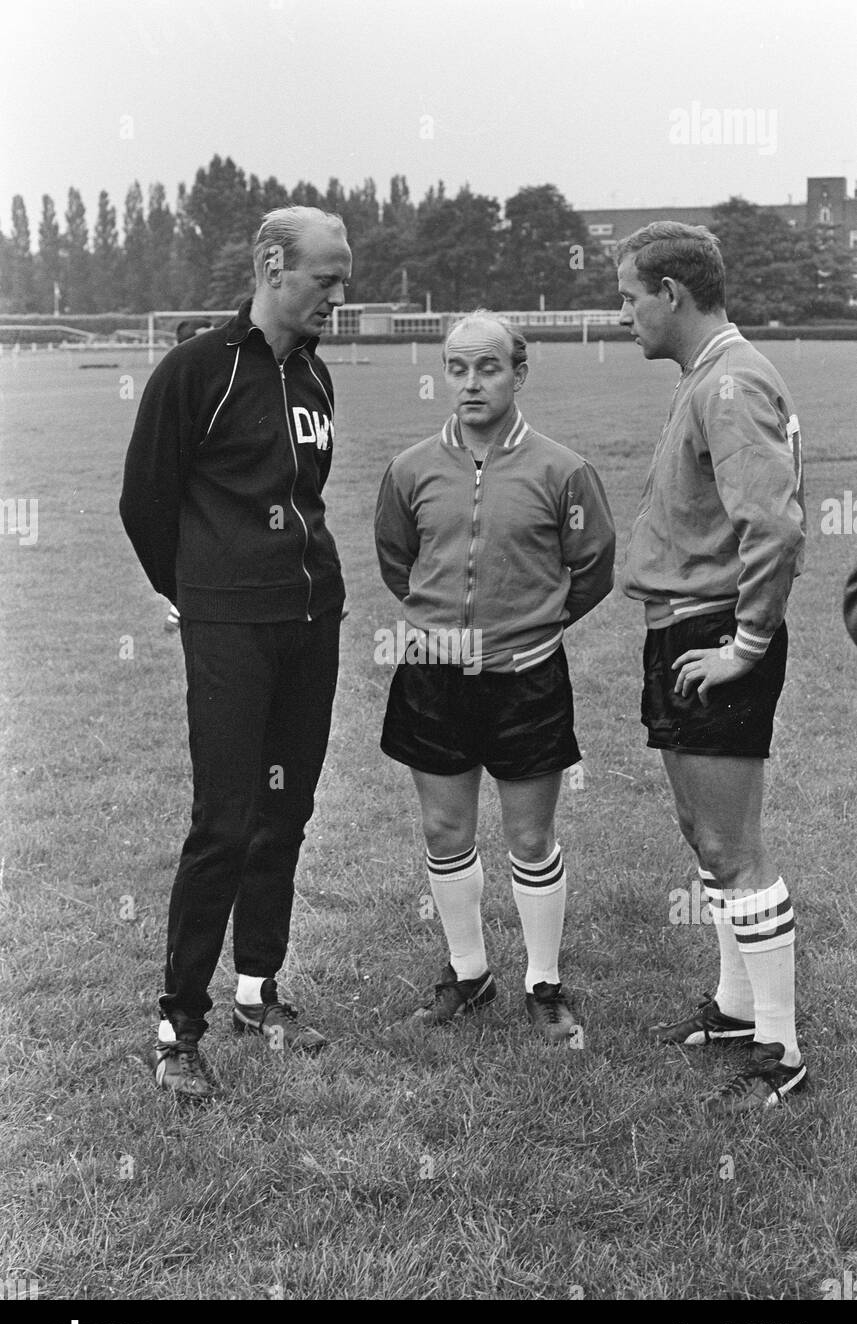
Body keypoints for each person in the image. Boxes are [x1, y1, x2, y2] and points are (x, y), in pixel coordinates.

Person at [120, 206, 352, 1099]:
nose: (339, 294)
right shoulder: (195, 371)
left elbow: (310, 498)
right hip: (230, 628)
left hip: (311, 624)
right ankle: (179, 1025)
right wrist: (199, 597)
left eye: (342, 279)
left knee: (284, 813)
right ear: (271, 266)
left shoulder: (317, 377)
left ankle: (259, 991)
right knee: (223, 819)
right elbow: (145, 502)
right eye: (326, 278)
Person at [375, 310, 615, 1040]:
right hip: (432, 675)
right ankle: (469, 972)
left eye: (487, 367)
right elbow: (396, 561)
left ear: (517, 373)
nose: (471, 382)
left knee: (530, 838)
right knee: (445, 828)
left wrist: (529, 627)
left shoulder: (561, 469)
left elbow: (594, 569)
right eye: (457, 368)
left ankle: (543, 982)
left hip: (526, 678)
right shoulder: (410, 468)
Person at [616, 221, 807, 1114]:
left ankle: (781, 1049)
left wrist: (746, 646)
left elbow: (772, 525)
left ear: (670, 294)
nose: (622, 315)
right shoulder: (709, 375)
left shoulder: (729, 380)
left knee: (734, 850)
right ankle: (736, 1010)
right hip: (682, 630)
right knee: (707, 842)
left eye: (627, 297)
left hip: (711, 634)